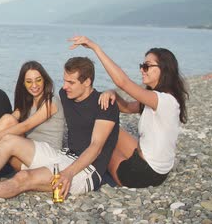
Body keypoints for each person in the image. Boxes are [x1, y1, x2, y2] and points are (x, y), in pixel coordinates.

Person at [0, 57, 119, 205]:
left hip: (86, 171)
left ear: (87, 82)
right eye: (64, 81)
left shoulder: (105, 105)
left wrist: (68, 173)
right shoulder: (66, 95)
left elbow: (95, 147)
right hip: (64, 156)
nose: (64, 86)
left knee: (23, 178)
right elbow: (18, 120)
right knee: (9, 141)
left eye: (70, 82)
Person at [68, 36, 188, 188]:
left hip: (141, 174)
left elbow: (122, 82)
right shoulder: (162, 98)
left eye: (147, 66)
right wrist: (112, 93)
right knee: (111, 130)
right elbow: (125, 107)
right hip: (156, 170)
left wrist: (95, 48)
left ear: (164, 69)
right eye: (141, 65)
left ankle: (76, 166)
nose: (141, 70)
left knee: (101, 147)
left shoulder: (163, 100)